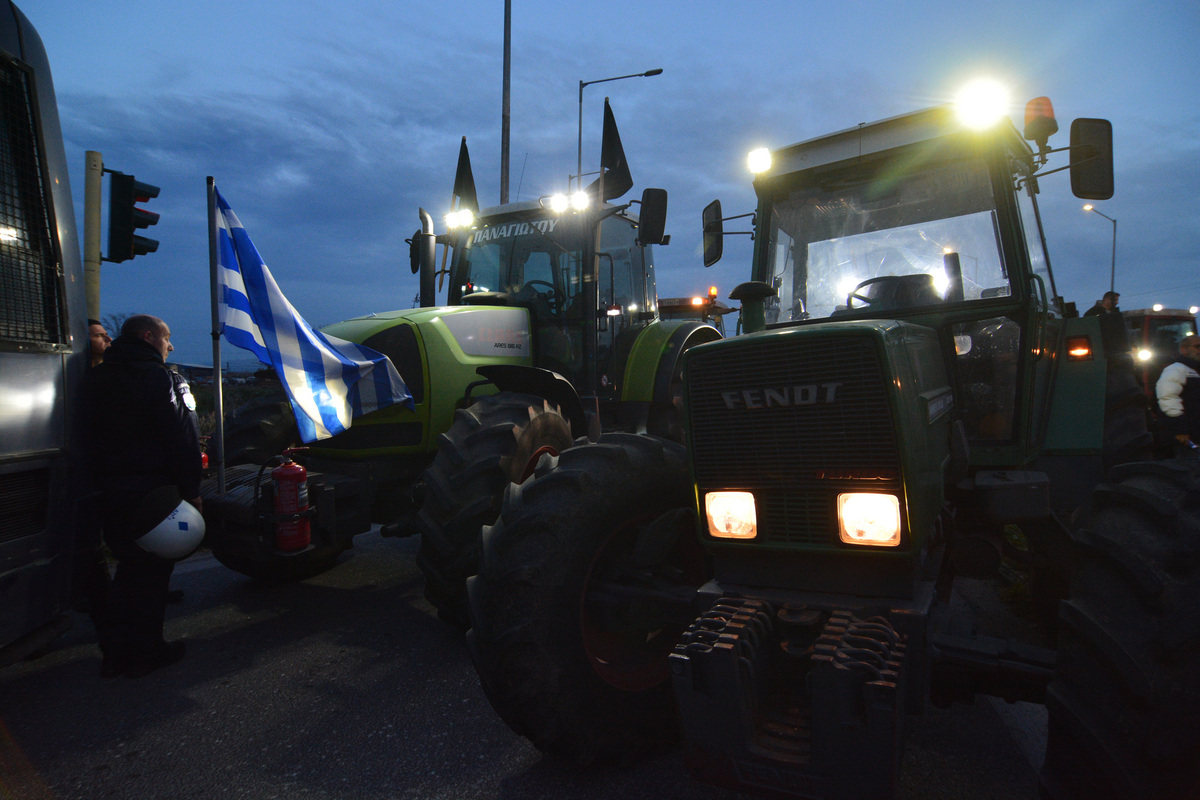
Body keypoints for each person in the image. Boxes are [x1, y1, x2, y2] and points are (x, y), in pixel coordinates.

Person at [81, 314, 203, 678]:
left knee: (127, 570)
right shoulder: (161, 378)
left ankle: (114, 654)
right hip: (152, 494)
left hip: (106, 490)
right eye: (167, 339)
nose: (171, 346)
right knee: (151, 574)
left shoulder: (95, 377)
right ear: (149, 337)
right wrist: (193, 492)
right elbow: (183, 439)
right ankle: (147, 652)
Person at [1155, 335, 1200, 452]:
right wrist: (1181, 430)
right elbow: (1168, 398)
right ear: (1184, 350)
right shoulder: (1176, 369)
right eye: (1197, 347)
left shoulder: (1195, 371)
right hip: (1185, 439)